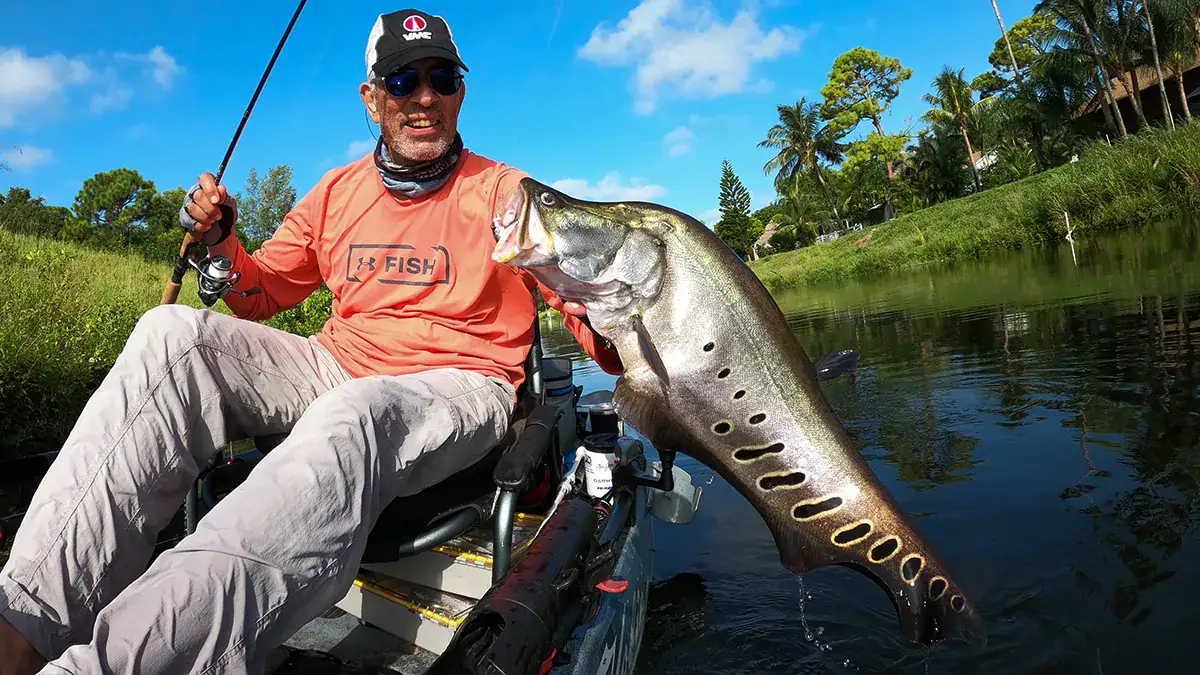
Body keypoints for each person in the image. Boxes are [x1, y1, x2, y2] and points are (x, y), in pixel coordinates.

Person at [0, 8, 622, 674]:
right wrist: (220, 242)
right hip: (339, 363)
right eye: (402, 80)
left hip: (463, 381)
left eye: (441, 77)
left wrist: (626, 320)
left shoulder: (508, 194)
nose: (424, 98)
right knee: (170, 332)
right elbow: (261, 290)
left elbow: (599, 331)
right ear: (372, 97)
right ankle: (21, 626)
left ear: (460, 90)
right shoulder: (336, 193)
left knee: (353, 413)